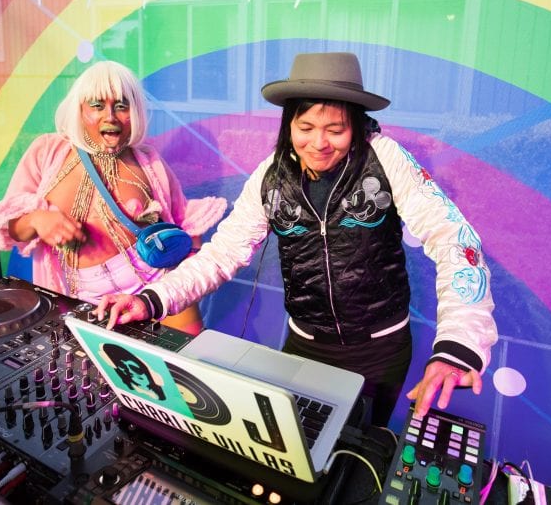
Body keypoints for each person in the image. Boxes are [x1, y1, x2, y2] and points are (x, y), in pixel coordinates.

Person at [97, 52, 497, 426]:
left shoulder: (386, 157)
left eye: (335, 130)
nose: (318, 143)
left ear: (356, 125)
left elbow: (455, 241)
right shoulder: (272, 174)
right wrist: (152, 298)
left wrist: (458, 345)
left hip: (380, 350)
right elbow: (222, 254)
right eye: (305, 128)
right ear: (289, 124)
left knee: (355, 454)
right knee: (299, 447)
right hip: (305, 346)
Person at [0, 60, 227, 335]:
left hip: (150, 289)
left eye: (121, 106)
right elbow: (10, 227)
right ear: (79, 109)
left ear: (134, 112)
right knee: (89, 371)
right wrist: (38, 220)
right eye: (97, 105)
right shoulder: (48, 152)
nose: (110, 116)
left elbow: (185, 224)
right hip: (77, 299)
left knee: (183, 365)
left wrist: (187, 276)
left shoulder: (148, 161)